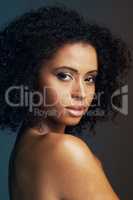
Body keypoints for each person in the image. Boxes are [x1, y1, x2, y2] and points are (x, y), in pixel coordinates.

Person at [0, 5, 132, 200]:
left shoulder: (27, 145)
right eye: (64, 76)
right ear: (28, 76)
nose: (81, 93)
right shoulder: (65, 150)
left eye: (90, 79)